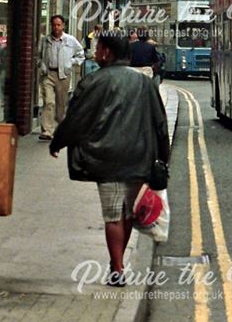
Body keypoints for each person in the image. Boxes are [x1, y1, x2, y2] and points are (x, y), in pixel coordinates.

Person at [49, 34, 170, 285]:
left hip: (105, 157)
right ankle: (118, 263)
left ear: (106, 52)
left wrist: (57, 141)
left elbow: (76, 119)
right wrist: (163, 157)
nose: (95, 51)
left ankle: (117, 268)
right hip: (138, 157)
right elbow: (160, 122)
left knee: (113, 215)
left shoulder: (92, 82)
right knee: (126, 213)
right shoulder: (145, 83)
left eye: (98, 48)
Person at [37, 15, 85, 141]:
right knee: (49, 102)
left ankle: (60, 129)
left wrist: (71, 62)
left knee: (60, 105)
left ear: (63, 26)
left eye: (58, 25)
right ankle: (47, 131)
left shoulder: (70, 40)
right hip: (48, 74)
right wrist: (40, 64)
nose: (56, 27)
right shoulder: (45, 40)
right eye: (54, 25)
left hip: (63, 75)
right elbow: (38, 55)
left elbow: (81, 55)